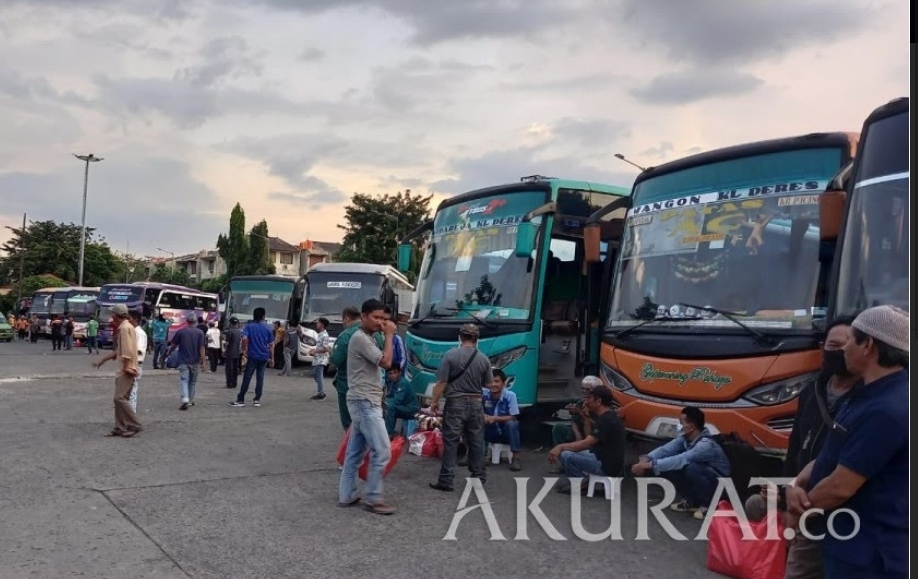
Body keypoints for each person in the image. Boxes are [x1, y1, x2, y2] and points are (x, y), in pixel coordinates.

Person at [786, 305, 908, 578]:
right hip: (841, 539)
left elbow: (841, 486)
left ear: (868, 346)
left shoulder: (888, 409)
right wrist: (796, 485)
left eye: (851, 340)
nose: (843, 349)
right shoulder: (865, 393)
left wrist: (799, 514)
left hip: (869, 554)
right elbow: (832, 454)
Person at [774, 314, 859, 579]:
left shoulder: (869, 399)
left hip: (845, 508)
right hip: (803, 500)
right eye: (833, 346)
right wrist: (785, 493)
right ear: (823, 347)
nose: (840, 352)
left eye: (847, 346)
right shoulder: (811, 391)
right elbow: (796, 447)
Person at [338, 299, 397, 515]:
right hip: (365, 402)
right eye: (376, 317)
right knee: (382, 451)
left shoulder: (367, 337)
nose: (381, 322)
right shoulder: (361, 338)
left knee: (354, 453)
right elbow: (386, 362)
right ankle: (373, 498)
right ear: (363, 316)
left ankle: (347, 495)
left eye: (384, 318)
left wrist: (384, 334)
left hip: (361, 400)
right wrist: (390, 334)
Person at [631, 406, 730, 519]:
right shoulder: (685, 439)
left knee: (690, 467)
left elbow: (681, 459)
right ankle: (691, 501)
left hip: (721, 484)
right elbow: (665, 450)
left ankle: (709, 506)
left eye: (681, 423)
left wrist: (649, 465)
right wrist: (646, 459)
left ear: (691, 427)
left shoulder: (706, 445)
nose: (679, 426)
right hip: (705, 477)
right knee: (670, 466)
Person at [427, 323, 493, 492]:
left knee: (451, 441)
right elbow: (489, 383)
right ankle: (478, 477)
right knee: (477, 440)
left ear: (460, 337)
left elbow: (441, 382)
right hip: (476, 402)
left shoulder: (450, 355)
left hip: (456, 402)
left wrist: (434, 401)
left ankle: (446, 479)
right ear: (477, 339)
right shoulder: (483, 358)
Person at [549, 382, 626, 494]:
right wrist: (586, 418)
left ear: (598, 401)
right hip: (602, 458)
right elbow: (589, 437)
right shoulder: (608, 416)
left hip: (606, 466)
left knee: (566, 455)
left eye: (590, 399)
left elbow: (586, 443)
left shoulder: (606, 420)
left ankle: (580, 484)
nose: (587, 402)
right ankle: (583, 481)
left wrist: (560, 447)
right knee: (568, 451)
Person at [92, 304, 141, 438]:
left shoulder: (125, 328)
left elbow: (127, 350)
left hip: (126, 369)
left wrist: (126, 366)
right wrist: (103, 360)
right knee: (120, 398)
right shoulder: (128, 327)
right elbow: (120, 350)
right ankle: (120, 427)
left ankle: (134, 424)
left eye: (112, 313)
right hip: (126, 368)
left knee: (119, 398)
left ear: (115, 315)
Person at [230, 307, 275, 407]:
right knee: (260, 377)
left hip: (253, 355)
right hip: (264, 356)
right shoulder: (268, 328)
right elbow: (271, 345)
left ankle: (241, 399)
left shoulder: (249, 326)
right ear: (263, 316)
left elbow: (245, 339)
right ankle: (257, 399)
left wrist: (244, 350)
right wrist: (272, 358)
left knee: (247, 377)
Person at [482, 369, 522, 471]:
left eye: (496, 381)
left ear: (503, 384)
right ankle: (479, 454)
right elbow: (476, 410)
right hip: (490, 431)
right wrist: (484, 417)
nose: (493, 384)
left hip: (505, 433)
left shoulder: (510, 396)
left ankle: (516, 458)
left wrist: (495, 418)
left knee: (512, 424)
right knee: (475, 421)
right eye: (490, 382)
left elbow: (513, 416)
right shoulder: (483, 394)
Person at [165, 313, 206, 410]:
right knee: (192, 381)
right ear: (196, 322)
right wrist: (203, 361)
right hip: (195, 360)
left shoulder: (181, 331)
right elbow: (202, 348)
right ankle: (190, 401)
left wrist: (169, 353)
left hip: (183, 360)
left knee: (184, 380)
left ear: (187, 321)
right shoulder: (200, 333)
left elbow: (174, 345)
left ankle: (185, 399)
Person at [329, 306, 360, 430]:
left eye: (342, 321)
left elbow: (335, 360)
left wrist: (331, 354)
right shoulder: (375, 333)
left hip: (347, 383)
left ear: (347, 318)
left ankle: (353, 447)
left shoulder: (346, 335)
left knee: (349, 422)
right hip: (369, 384)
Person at [383, 365, 419, 436]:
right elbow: (388, 396)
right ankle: (385, 431)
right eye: (390, 373)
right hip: (402, 407)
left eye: (395, 372)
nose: (392, 375)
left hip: (411, 409)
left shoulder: (402, 383)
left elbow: (397, 400)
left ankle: (388, 434)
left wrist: (383, 402)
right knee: (384, 406)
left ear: (399, 373)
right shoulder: (390, 381)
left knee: (389, 407)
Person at [128, 310, 147, 412]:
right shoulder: (133, 332)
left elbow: (139, 351)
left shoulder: (139, 333)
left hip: (135, 364)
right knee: (129, 391)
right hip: (132, 363)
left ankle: (132, 415)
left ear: (135, 320)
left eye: (129, 318)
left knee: (132, 391)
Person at [309, 317, 330, 400]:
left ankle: (321, 393)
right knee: (316, 375)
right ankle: (321, 392)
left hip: (321, 359)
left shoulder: (324, 335)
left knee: (319, 376)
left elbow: (326, 349)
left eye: (318, 323)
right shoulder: (320, 334)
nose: (316, 324)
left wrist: (315, 351)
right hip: (317, 358)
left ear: (322, 324)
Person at [223, 317, 243, 389]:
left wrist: (224, 350)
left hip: (230, 352)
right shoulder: (239, 332)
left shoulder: (229, 331)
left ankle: (229, 383)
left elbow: (227, 343)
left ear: (230, 323)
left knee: (229, 369)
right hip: (237, 353)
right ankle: (234, 383)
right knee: (235, 368)